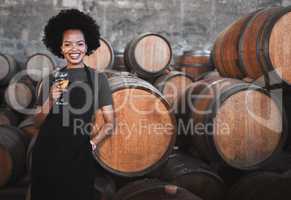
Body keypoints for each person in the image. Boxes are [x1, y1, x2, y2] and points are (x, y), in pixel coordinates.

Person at [31, 9, 115, 200]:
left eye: (79, 44)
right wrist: (51, 99)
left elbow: (110, 123)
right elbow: (36, 123)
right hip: (47, 153)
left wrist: (93, 143)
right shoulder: (51, 79)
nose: (74, 49)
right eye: (67, 44)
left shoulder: (97, 79)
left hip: (79, 155)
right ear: (60, 48)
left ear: (87, 47)